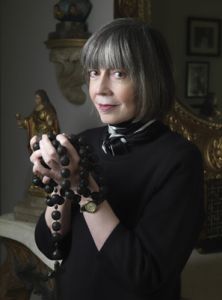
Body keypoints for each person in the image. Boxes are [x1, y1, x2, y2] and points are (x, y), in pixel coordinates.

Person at [30, 18, 204, 300]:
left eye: (119, 73)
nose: (99, 89)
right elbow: (50, 245)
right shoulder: (83, 142)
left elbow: (143, 275)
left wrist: (82, 186)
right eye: (94, 72)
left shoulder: (181, 160)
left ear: (151, 79)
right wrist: (59, 185)